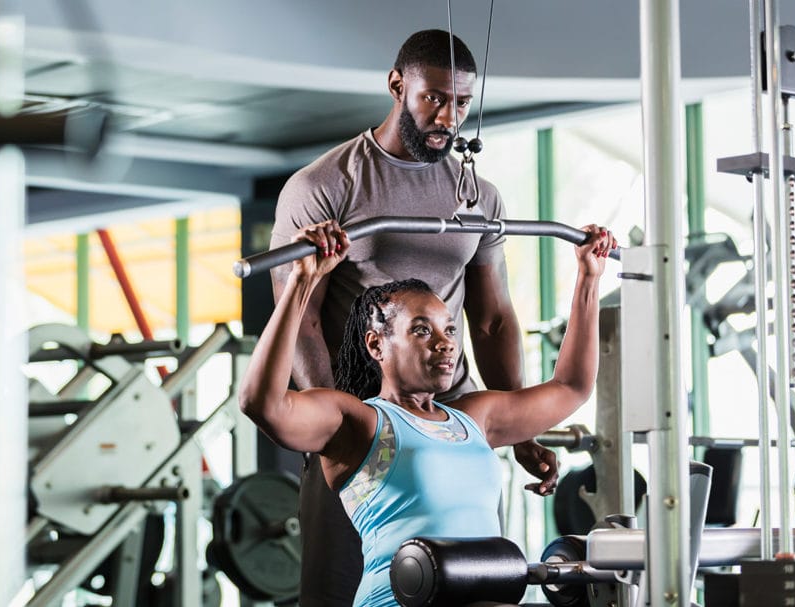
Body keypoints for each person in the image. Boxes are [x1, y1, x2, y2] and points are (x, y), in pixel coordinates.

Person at [269, 29, 558, 605]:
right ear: (398, 86)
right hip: (366, 431)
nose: (448, 117)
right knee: (346, 589)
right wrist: (343, 430)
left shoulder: (478, 194)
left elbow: (494, 318)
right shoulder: (325, 186)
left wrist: (524, 428)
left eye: (462, 103)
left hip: (454, 424)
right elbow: (299, 317)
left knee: (467, 584)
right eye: (435, 98)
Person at [243, 221, 616, 607]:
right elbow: (262, 403)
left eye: (450, 330)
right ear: (376, 344)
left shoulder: (474, 419)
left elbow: (571, 387)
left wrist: (589, 276)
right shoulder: (360, 425)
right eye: (422, 331)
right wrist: (301, 283)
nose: (445, 344)